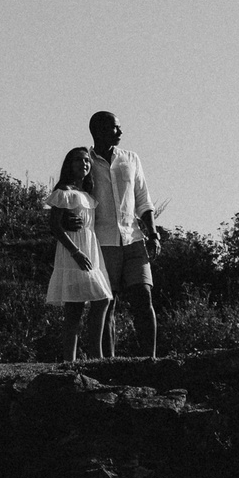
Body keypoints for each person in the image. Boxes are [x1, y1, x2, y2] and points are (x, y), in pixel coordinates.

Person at [83, 110, 160, 357]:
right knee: (108, 304)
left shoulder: (131, 158)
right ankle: (109, 361)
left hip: (134, 237)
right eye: (115, 128)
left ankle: (151, 359)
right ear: (99, 130)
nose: (120, 132)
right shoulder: (86, 161)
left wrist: (154, 233)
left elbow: (143, 199)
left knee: (144, 296)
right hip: (102, 241)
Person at [43, 146, 112, 360]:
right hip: (74, 251)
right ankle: (75, 359)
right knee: (80, 306)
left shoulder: (86, 194)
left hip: (91, 248)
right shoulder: (64, 192)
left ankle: (89, 356)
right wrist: (76, 252)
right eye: (78, 160)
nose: (84, 164)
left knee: (98, 300)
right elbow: (54, 225)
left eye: (86, 161)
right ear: (69, 165)